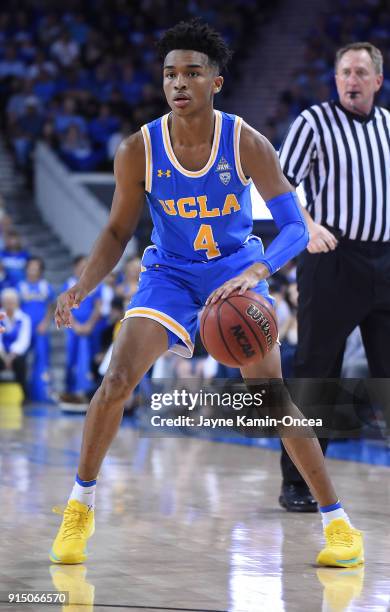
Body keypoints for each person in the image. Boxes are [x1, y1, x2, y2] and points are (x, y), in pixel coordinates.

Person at [50, 20, 363, 568]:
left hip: (235, 274)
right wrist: (82, 286)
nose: (179, 83)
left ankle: (339, 526)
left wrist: (258, 270)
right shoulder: (137, 149)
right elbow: (117, 232)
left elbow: (293, 227)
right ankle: (81, 505)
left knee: (273, 401)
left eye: (192, 73)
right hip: (169, 273)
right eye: (171, 73)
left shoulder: (244, 141)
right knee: (117, 377)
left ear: (215, 82)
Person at [278, 41, 390, 512]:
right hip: (332, 258)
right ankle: (299, 483)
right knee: (316, 375)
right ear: (336, 78)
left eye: (361, 72)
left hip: (384, 261)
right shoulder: (313, 123)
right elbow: (278, 183)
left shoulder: (388, 125)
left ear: (378, 80)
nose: (352, 80)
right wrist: (306, 225)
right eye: (345, 71)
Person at [18, 257, 55, 401]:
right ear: (26, 269)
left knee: (42, 360)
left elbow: (51, 306)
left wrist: (46, 323)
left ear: (41, 270)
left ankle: (41, 394)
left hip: (40, 329)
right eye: (31, 267)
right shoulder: (19, 286)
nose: (33, 270)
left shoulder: (46, 286)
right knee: (22, 359)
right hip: (23, 330)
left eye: (36, 267)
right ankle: (24, 393)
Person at [0, 288, 31, 395]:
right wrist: (4, 356)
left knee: (20, 362)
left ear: (17, 302)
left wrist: (11, 356)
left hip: (16, 354)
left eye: (12, 302)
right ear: (2, 303)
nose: (9, 304)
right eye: (7, 302)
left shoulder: (24, 319)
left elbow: (24, 341)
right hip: (1, 353)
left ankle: (23, 394)